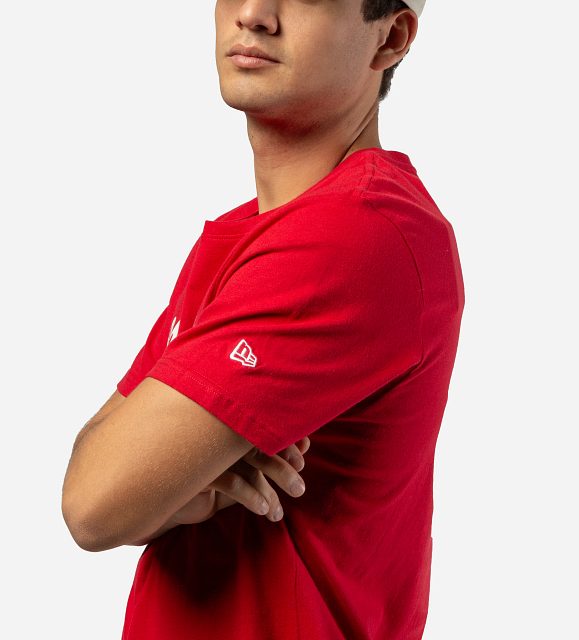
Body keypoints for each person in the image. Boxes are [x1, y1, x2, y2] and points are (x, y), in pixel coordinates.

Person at [61, 0, 465, 637]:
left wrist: (160, 486)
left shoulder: (355, 235)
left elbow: (94, 504)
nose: (252, 13)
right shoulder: (248, 233)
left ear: (390, 37)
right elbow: (99, 467)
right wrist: (186, 490)